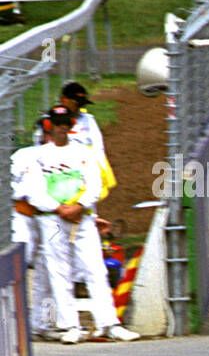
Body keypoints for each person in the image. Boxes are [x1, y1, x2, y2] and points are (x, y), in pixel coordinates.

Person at [18, 106, 139, 343]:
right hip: (52, 220)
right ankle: (69, 325)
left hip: (82, 218)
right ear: (50, 126)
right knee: (58, 270)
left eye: (65, 123)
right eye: (57, 123)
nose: (62, 128)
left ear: (71, 125)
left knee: (96, 268)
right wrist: (59, 208)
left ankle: (110, 323)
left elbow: (94, 185)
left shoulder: (84, 153)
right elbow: (33, 191)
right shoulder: (37, 156)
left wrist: (79, 206)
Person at [10, 119, 53, 335]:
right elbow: (9, 183)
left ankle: (42, 323)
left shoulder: (68, 154)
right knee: (20, 265)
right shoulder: (24, 156)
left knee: (49, 270)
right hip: (23, 217)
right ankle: (15, 321)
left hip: (51, 219)